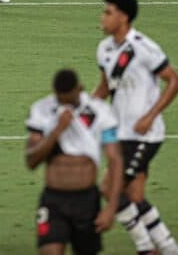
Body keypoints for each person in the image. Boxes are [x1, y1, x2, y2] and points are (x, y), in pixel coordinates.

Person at [92, 0, 178, 255]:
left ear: (123, 17)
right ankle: (168, 250)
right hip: (121, 134)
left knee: (109, 188)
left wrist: (150, 116)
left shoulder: (144, 48)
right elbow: (104, 88)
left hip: (145, 135)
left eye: (108, 12)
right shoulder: (105, 49)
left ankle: (150, 248)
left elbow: (174, 81)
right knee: (134, 197)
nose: (102, 18)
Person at [25, 68, 123, 255]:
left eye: (69, 97)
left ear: (80, 89)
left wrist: (111, 208)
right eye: (61, 98)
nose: (65, 103)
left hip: (86, 201)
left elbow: (115, 160)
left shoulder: (100, 111)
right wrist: (57, 130)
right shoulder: (42, 110)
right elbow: (31, 160)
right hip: (53, 201)